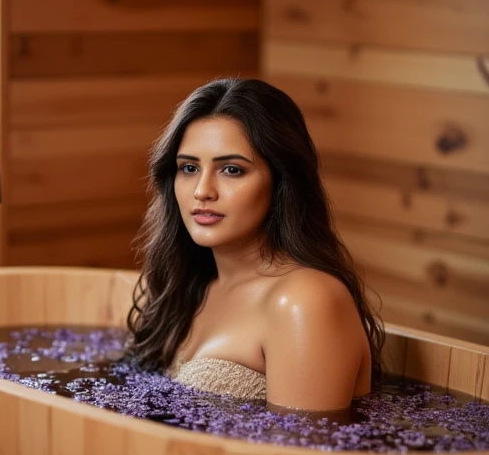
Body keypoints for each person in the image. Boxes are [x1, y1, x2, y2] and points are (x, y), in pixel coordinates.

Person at [126, 77, 385, 414]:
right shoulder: (192, 284)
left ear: (281, 182)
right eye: (189, 168)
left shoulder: (305, 301)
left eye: (232, 170)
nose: (202, 190)